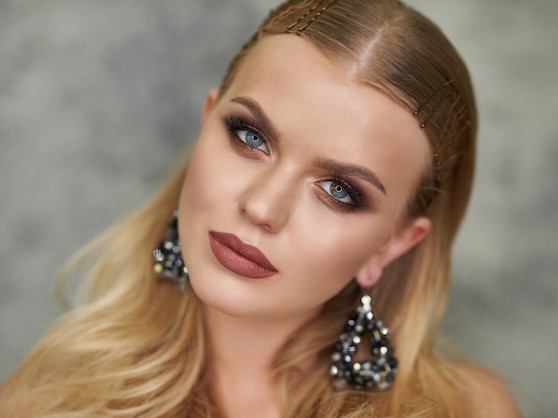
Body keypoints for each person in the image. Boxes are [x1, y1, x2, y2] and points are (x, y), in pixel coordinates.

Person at [0, 0, 521, 416]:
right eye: (249, 136)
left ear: (391, 244)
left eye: (340, 190)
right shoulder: (46, 404)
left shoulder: (467, 411)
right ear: (207, 122)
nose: (262, 207)